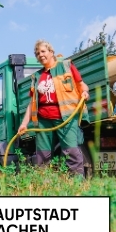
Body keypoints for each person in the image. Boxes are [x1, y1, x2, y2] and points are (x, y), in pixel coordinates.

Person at [17, 39, 90, 176]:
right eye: (37, 53)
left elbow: (82, 85)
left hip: (66, 118)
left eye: (43, 51)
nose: (40, 55)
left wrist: (85, 92)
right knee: (42, 155)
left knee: (71, 152)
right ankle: (45, 184)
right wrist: (24, 123)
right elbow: (32, 103)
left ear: (51, 52)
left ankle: (77, 183)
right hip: (43, 121)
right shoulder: (37, 76)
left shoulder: (66, 66)